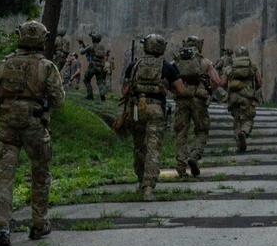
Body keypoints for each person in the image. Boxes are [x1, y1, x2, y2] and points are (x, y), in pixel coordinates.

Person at [0, 20, 65, 246]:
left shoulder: (2, 65)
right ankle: (39, 223)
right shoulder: (47, 67)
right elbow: (59, 100)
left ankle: (2, 226)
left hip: (7, 126)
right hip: (36, 125)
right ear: (42, 39)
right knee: (40, 173)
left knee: (3, 176)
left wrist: (1, 114)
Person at [121, 33, 186, 200]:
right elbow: (181, 90)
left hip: (137, 109)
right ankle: (149, 188)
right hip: (156, 109)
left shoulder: (134, 65)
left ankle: (140, 178)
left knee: (139, 147)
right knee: (153, 148)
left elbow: (125, 91)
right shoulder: (166, 67)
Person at [173, 36, 222, 177]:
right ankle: (194, 156)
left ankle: (181, 167)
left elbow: (167, 79)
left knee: (181, 132)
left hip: (182, 99)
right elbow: (216, 81)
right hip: (198, 101)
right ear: (199, 47)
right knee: (202, 130)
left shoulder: (176, 61)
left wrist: (176, 91)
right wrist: (208, 92)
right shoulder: (205, 62)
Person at [224, 45, 263, 151]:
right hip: (247, 97)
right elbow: (259, 82)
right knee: (248, 119)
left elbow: (222, 82)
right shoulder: (252, 67)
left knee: (236, 120)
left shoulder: (230, 68)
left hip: (234, 97)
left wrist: (229, 89)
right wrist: (252, 89)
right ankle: (244, 132)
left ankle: (239, 142)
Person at [81, 30, 109, 100]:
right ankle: (102, 94)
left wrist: (81, 47)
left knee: (86, 79)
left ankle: (90, 95)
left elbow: (82, 52)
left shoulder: (91, 47)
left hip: (93, 66)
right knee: (100, 81)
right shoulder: (102, 47)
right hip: (100, 67)